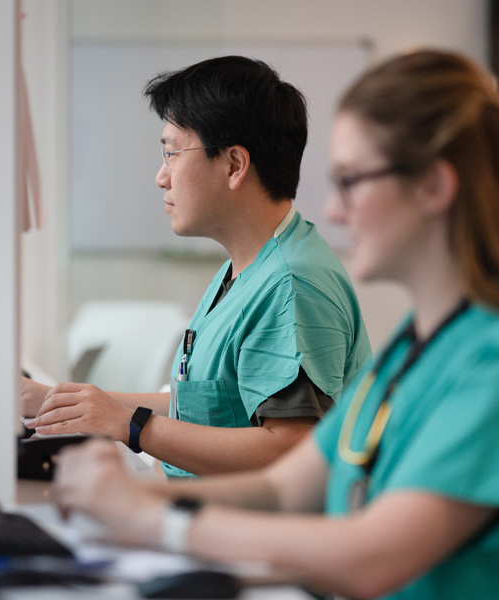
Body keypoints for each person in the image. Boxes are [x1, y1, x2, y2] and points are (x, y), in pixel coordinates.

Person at [52, 50, 499, 599]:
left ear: (433, 186)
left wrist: (153, 518)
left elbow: (372, 554)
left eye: (352, 182)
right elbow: (286, 486)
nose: (332, 210)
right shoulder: (421, 342)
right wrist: (132, 498)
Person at [23, 56, 372, 477]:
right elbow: (202, 410)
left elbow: (289, 449)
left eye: (171, 153)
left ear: (234, 165)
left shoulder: (291, 284)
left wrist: (130, 427)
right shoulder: (247, 267)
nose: (161, 177)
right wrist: (57, 401)